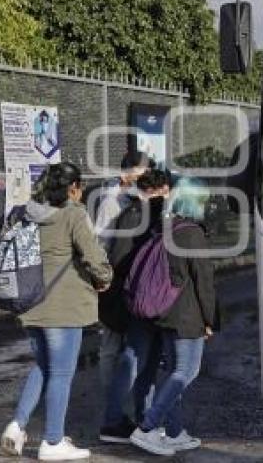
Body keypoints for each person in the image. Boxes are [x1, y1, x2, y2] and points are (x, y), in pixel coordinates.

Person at [0, 163, 112, 461]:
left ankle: (16, 426)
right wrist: (105, 278)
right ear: (72, 187)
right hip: (64, 307)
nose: (82, 192)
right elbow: (92, 255)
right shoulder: (73, 214)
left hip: (30, 301)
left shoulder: (26, 213)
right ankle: (52, 441)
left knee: (44, 367)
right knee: (61, 374)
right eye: (81, 187)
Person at [129, 177, 217, 456]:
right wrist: (210, 319)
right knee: (186, 372)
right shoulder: (193, 234)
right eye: (204, 200)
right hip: (187, 316)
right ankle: (147, 428)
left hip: (165, 313)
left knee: (172, 373)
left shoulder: (167, 228)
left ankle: (175, 433)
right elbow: (203, 281)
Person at [98, 168, 170, 444]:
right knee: (137, 360)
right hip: (145, 300)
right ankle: (122, 420)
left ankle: (139, 420)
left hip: (136, 298)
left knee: (141, 360)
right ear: (161, 189)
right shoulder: (148, 215)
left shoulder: (131, 213)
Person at [94, 150, 152, 397]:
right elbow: (101, 243)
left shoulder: (137, 198)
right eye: (141, 171)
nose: (145, 176)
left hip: (133, 280)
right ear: (125, 174)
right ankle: (112, 403)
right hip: (114, 281)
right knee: (111, 344)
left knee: (130, 345)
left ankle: (126, 399)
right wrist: (104, 279)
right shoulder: (112, 201)